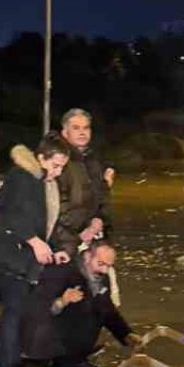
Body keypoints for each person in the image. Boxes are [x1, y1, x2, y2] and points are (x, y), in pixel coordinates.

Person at [0, 135, 71, 367]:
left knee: (16, 307)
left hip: (13, 256)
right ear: (41, 158)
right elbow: (11, 215)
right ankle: (7, 366)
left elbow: (38, 225)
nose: (58, 172)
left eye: (62, 167)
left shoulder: (39, 180)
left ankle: (3, 358)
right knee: (16, 307)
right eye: (56, 165)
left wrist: (51, 248)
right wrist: (35, 242)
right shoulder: (21, 177)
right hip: (1, 255)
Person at [21, 241, 140, 367]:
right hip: (48, 352)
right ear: (87, 256)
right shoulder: (60, 272)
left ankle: (75, 362)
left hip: (75, 351)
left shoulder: (102, 279)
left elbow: (107, 310)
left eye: (109, 266)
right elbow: (35, 310)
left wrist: (126, 334)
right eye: (101, 264)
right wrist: (62, 301)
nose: (104, 271)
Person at [50, 108, 116, 258]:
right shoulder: (58, 161)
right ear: (65, 132)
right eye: (76, 128)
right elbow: (58, 205)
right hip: (65, 242)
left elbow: (101, 197)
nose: (82, 132)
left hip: (92, 236)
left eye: (86, 128)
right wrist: (85, 228)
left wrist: (99, 219)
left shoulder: (94, 159)